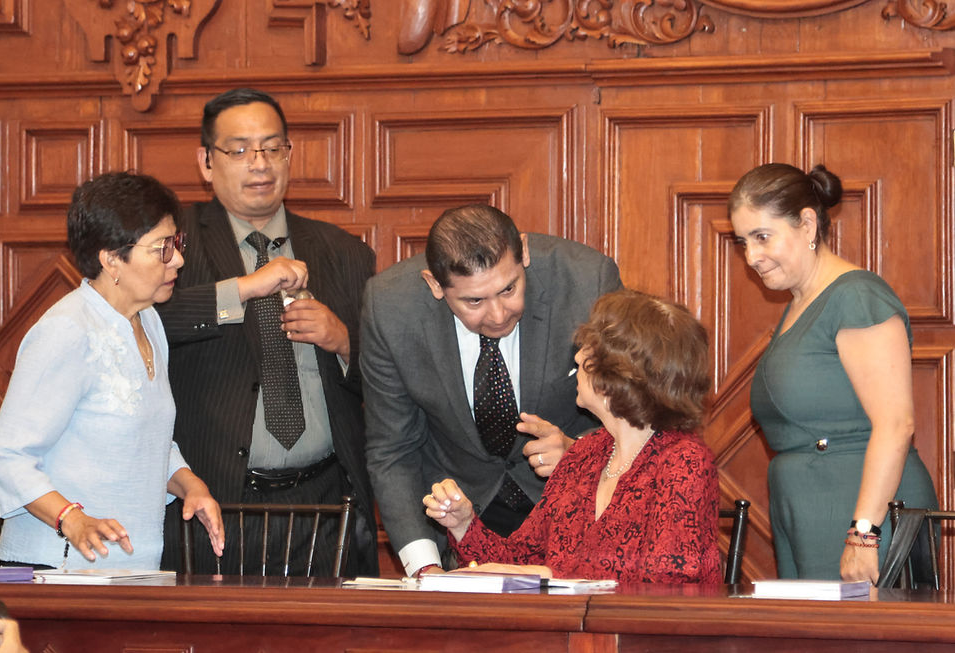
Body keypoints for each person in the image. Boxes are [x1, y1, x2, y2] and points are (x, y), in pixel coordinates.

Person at [156, 88, 378, 576]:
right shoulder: (173, 243)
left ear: (289, 155)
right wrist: (244, 289)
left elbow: (389, 379)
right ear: (206, 162)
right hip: (212, 504)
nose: (259, 163)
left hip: (324, 506)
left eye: (273, 148)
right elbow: (147, 319)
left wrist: (344, 341)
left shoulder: (344, 253)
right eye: (239, 150)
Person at [361, 203, 623, 577]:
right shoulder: (390, 308)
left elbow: (639, 417)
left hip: (574, 522)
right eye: (474, 301)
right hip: (461, 525)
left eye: (509, 289)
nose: (499, 315)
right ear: (435, 285)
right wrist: (425, 569)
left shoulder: (587, 282)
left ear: (525, 252)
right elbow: (392, 449)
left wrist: (578, 452)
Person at [0, 172, 224, 570]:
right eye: (162, 247)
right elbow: (7, 455)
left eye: (176, 243)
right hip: (59, 568)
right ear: (111, 258)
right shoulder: (68, 331)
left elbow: (146, 441)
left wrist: (190, 486)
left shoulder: (148, 322)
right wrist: (71, 519)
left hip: (134, 567)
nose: (177, 258)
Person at [424, 289, 720, 584]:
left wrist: (553, 577)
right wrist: (464, 524)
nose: (578, 355)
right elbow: (517, 562)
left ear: (621, 375)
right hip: (567, 630)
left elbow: (668, 586)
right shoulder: (585, 454)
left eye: (591, 350)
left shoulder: (685, 462)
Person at [728, 163, 937, 582]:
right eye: (743, 242)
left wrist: (864, 532)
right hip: (810, 512)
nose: (752, 257)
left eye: (762, 237)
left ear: (807, 223)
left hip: (859, 514)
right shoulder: (799, 303)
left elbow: (896, 424)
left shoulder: (857, 296)